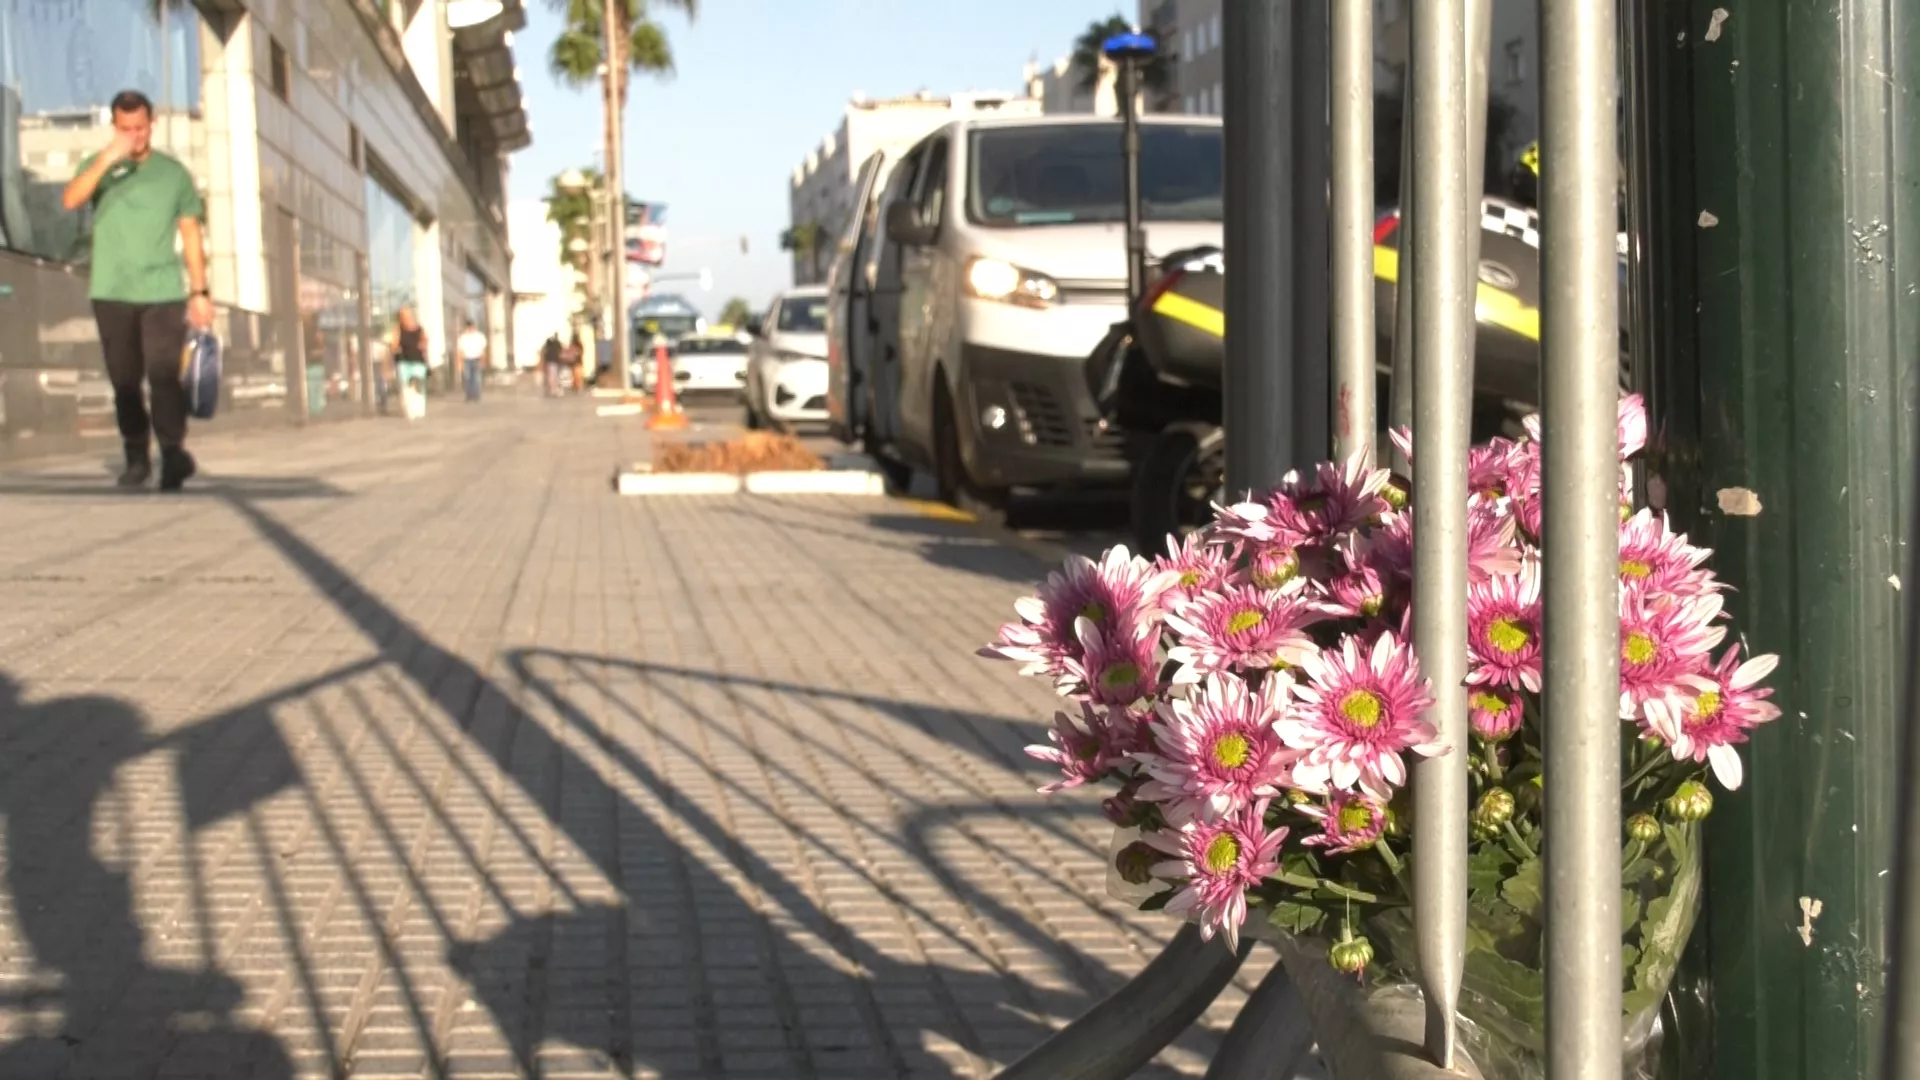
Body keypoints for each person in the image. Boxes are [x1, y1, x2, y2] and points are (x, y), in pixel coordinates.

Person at [62, 89, 213, 491]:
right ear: (115, 126)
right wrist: (108, 159)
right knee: (124, 380)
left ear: (152, 124)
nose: (135, 135)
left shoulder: (173, 174)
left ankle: (173, 454)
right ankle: (136, 457)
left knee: (163, 374)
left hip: (163, 290)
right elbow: (72, 199)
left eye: (141, 127)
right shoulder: (97, 166)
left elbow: (191, 233)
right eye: (126, 128)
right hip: (111, 290)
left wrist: (200, 292)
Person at [389, 306, 429, 419]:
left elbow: (425, 341)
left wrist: (423, 346)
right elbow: (394, 343)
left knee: (418, 385)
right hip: (404, 361)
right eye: (403, 316)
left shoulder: (419, 328)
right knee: (406, 386)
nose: (405, 318)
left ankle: (419, 408)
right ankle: (409, 409)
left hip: (418, 361)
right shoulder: (398, 329)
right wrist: (394, 348)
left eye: (407, 315)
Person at [457, 320, 488, 403]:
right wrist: (460, 363)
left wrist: (483, 361)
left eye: (472, 327)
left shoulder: (479, 336)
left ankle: (476, 395)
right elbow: (460, 351)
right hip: (467, 359)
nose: (471, 329)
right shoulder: (463, 337)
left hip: (477, 358)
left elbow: (483, 350)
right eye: (469, 327)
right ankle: (469, 395)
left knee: (477, 378)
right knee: (467, 378)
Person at [539, 333, 563, 397]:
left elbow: (544, 356)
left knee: (551, 377)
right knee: (553, 377)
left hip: (551, 363)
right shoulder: (556, 345)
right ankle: (553, 390)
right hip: (554, 362)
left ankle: (552, 390)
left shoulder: (548, 347)